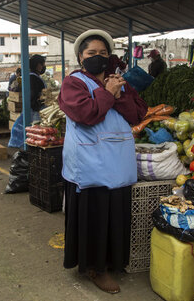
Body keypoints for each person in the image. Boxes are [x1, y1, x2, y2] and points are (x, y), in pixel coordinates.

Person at [58, 29, 147, 294]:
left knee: (115, 212)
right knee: (94, 214)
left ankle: (112, 262)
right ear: (80, 58)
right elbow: (86, 114)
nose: (98, 57)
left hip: (117, 161)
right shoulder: (73, 83)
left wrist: (119, 95)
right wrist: (108, 93)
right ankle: (95, 268)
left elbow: (138, 113)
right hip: (90, 163)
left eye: (103, 53)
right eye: (91, 53)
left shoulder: (117, 80)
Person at [29, 55, 47, 121]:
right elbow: (34, 95)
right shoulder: (33, 78)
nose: (44, 67)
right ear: (38, 65)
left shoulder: (33, 76)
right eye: (43, 64)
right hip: (36, 112)